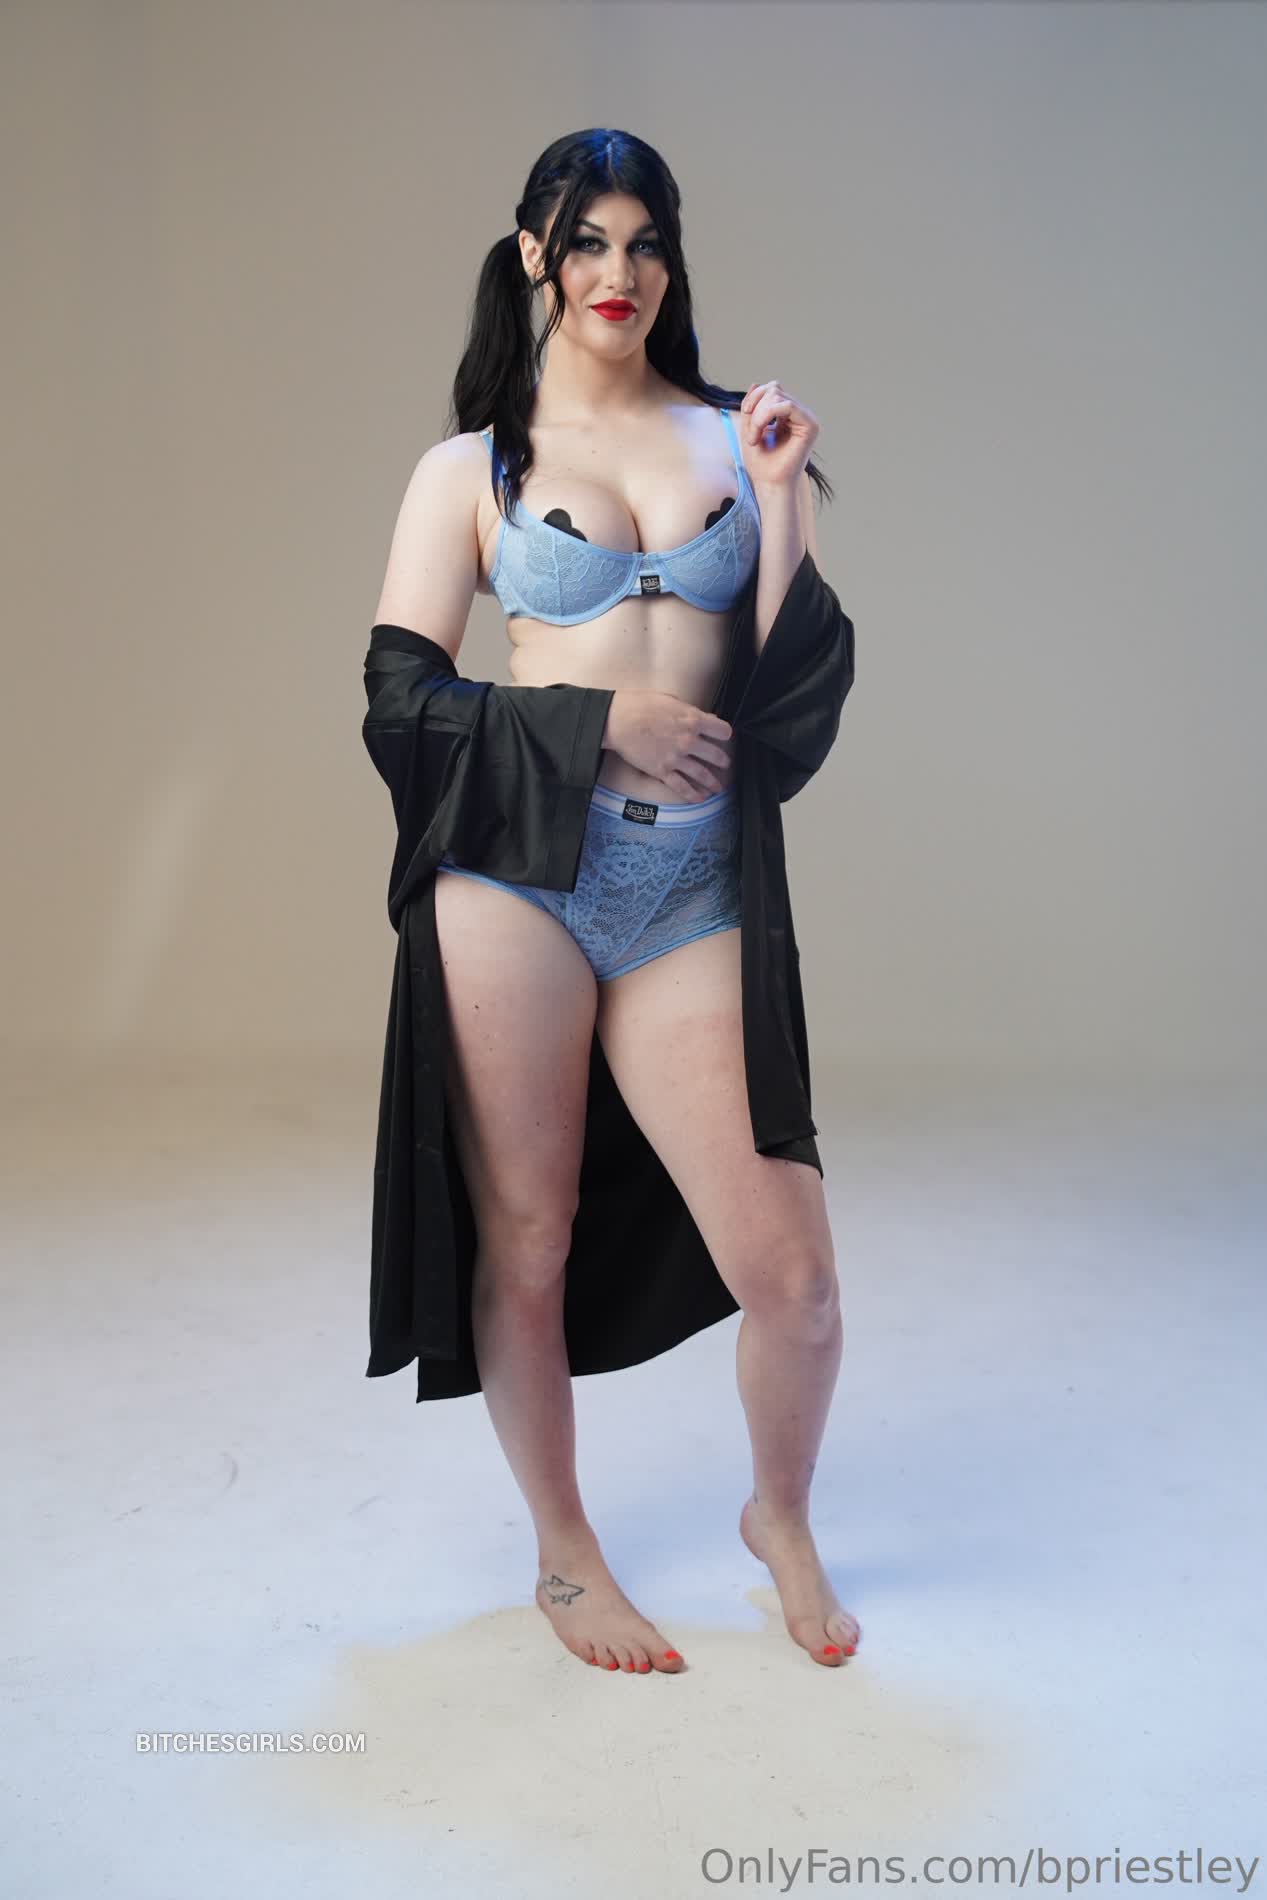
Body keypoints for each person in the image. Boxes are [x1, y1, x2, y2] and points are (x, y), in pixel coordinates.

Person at [363, 128, 860, 1677]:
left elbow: (789, 692)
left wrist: (778, 502)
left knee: (795, 1281)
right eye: (587, 241)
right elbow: (397, 700)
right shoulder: (470, 470)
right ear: (536, 255)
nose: (618, 273)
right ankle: (564, 1555)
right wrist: (594, 727)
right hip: (519, 876)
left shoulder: (734, 439)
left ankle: (779, 1514)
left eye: (645, 243)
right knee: (528, 1232)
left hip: (690, 882)